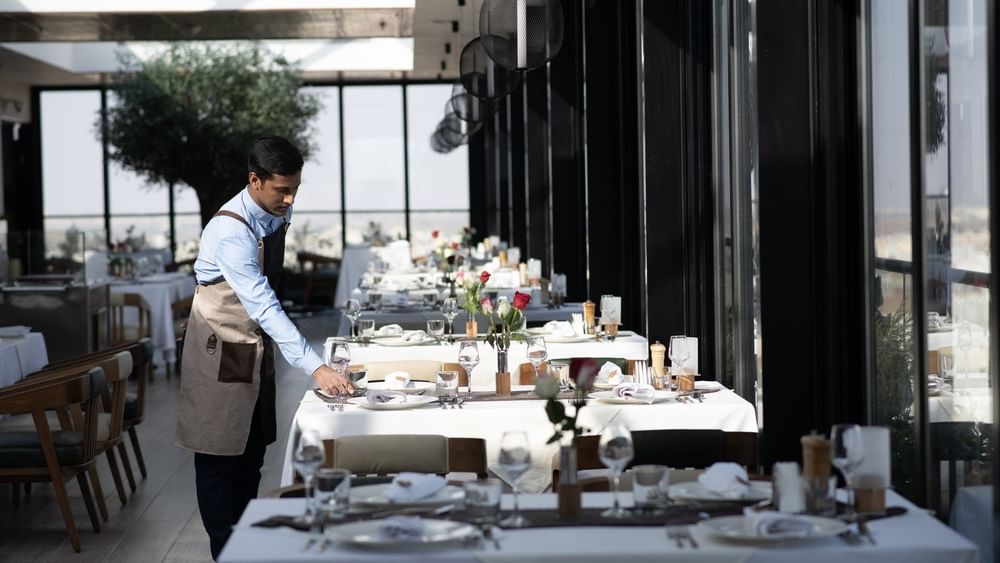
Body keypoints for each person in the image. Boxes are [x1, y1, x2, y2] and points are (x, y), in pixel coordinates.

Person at [176, 136, 352, 560]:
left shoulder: (274, 212)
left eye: (295, 189)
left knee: (252, 454)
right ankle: (226, 551)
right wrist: (316, 367)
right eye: (282, 190)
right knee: (218, 456)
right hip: (220, 350)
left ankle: (247, 544)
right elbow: (264, 305)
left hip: (253, 349)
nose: (290, 200)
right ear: (254, 180)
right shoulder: (230, 233)